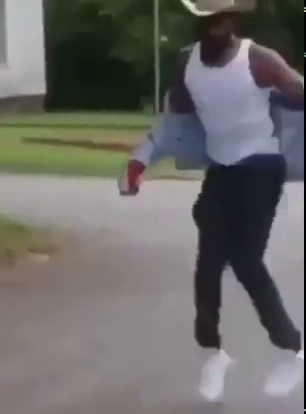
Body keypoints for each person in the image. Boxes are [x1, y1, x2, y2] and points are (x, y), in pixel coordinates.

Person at [120, 0, 304, 402]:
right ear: (197, 24)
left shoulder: (258, 60)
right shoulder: (187, 66)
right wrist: (140, 160)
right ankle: (213, 353)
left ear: (233, 21)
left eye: (222, 22)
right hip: (223, 170)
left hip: (262, 167)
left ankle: (292, 349)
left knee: (246, 260)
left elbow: (299, 92)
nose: (215, 29)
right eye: (207, 22)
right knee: (207, 265)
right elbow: (174, 123)